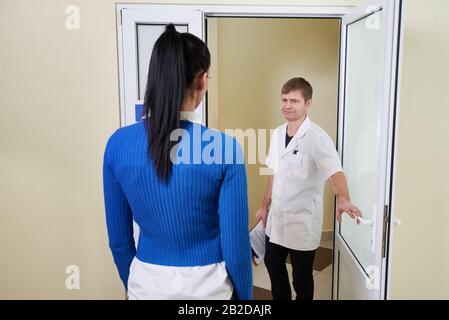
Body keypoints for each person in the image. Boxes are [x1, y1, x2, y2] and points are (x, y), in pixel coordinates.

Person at [103, 24, 252, 300]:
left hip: (144, 286)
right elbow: (237, 248)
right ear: (202, 80)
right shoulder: (225, 149)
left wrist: (136, 283)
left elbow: (120, 242)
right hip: (210, 290)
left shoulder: (117, 145)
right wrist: (245, 300)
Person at [255, 77, 362, 300]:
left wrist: (343, 198)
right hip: (278, 218)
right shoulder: (277, 134)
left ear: (308, 104)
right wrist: (264, 206)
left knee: (302, 277)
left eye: (294, 100)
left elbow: (335, 172)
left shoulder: (317, 137)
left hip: (302, 221)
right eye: (284, 99)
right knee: (273, 265)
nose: (287, 105)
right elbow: (274, 172)